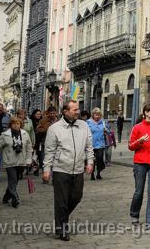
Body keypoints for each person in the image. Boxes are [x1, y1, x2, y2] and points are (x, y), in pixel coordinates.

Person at [43, 101, 94, 241]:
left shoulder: (83, 125)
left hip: (78, 169)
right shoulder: (54, 129)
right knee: (61, 201)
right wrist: (47, 169)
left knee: (76, 197)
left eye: (78, 109)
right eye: (75, 109)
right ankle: (62, 229)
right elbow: (49, 151)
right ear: (65, 112)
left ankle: (61, 218)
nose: (78, 111)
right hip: (61, 169)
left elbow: (89, 146)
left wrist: (90, 162)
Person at [128, 103, 150, 228]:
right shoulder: (137, 127)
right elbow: (130, 146)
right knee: (139, 191)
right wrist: (140, 141)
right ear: (146, 113)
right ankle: (134, 214)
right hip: (140, 162)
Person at [0, 116, 32, 208]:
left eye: (18, 123)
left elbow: (29, 147)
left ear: (20, 125)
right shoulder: (5, 135)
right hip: (9, 161)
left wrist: (29, 159)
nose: (16, 125)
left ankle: (6, 197)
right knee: (13, 179)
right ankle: (15, 198)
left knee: (14, 181)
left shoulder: (25, 134)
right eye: (14, 124)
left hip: (21, 161)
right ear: (10, 125)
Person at [34, 106, 57, 180]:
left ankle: (54, 178)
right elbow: (38, 129)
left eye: (53, 113)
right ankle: (45, 176)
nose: (52, 115)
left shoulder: (59, 121)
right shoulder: (43, 120)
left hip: (57, 144)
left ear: (56, 113)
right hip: (45, 143)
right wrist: (47, 129)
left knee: (55, 161)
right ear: (48, 113)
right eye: (51, 113)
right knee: (46, 160)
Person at [87, 108, 108, 181]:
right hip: (91, 144)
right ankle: (92, 174)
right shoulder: (88, 122)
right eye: (96, 115)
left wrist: (106, 130)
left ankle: (98, 173)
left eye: (99, 115)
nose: (98, 116)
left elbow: (107, 131)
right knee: (92, 160)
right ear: (93, 115)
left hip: (100, 144)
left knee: (100, 159)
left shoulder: (102, 122)